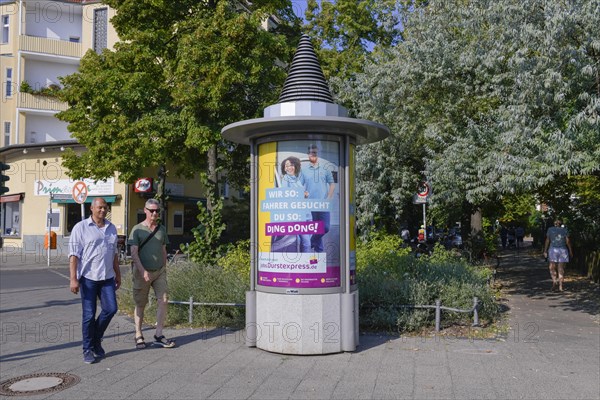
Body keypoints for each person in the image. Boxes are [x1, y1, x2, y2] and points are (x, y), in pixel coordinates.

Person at [69, 197, 121, 364]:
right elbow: (73, 256)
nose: (103, 210)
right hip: (88, 278)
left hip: (107, 278)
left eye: (105, 208)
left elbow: (114, 255)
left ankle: (96, 339)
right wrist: (73, 279)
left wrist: (118, 274)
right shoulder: (81, 228)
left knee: (111, 309)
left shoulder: (111, 228)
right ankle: (88, 349)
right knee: (89, 315)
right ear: (91, 208)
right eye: (99, 208)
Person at [129, 198, 175, 349]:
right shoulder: (137, 229)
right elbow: (134, 253)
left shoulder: (161, 229)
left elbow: (163, 249)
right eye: (152, 210)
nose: (155, 213)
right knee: (140, 303)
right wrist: (143, 271)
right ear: (145, 211)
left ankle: (158, 334)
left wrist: (164, 267)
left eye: (157, 211)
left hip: (159, 272)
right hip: (142, 272)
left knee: (164, 300)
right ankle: (138, 334)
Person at [304, 144, 335, 252]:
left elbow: (332, 184)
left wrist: (329, 198)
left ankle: (311, 242)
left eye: (315, 153)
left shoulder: (325, 169)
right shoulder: (304, 170)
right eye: (311, 153)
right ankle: (319, 252)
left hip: (323, 204)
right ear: (308, 155)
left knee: (325, 227)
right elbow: (300, 185)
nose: (313, 155)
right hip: (309, 204)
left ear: (317, 154)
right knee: (316, 228)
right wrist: (304, 193)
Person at [280, 156, 311, 252]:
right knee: (306, 243)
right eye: (287, 166)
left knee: (306, 241)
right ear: (285, 168)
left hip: (306, 213)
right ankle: (308, 263)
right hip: (298, 215)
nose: (290, 167)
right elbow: (286, 195)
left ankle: (305, 262)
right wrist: (302, 194)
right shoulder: (286, 178)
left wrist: (305, 194)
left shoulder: (296, 179)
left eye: (292, 165)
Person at [543, 217, 573, 292]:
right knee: (561, 268)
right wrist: (570, 251)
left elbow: (547, 240)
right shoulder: (564, 230)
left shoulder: (550, 229)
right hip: (563, 250)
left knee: (552, 267)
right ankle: (560, 285)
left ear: (554, 223)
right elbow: (568, 241)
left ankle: (554, 281)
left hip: (553, 250)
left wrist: (545, 250)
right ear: (561, 223)